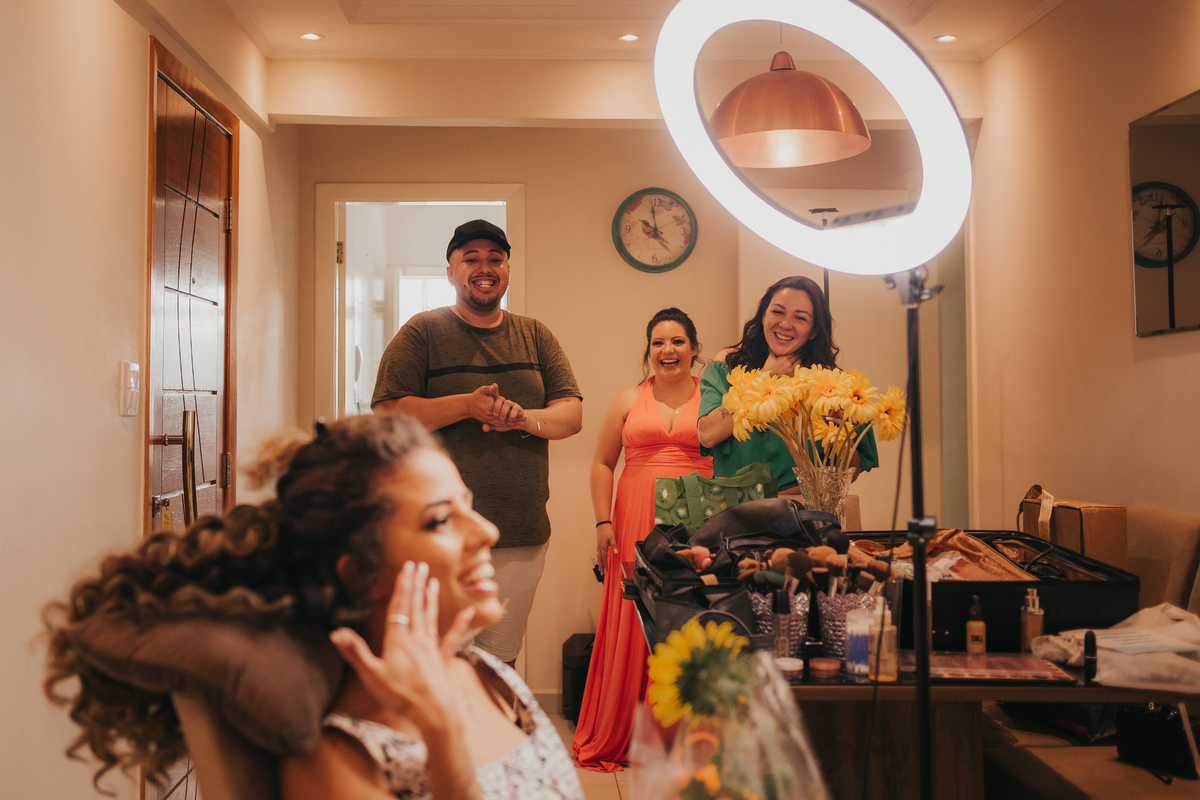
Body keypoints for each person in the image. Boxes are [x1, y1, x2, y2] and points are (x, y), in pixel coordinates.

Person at [44, 415, 585, 800]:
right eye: (440, 521)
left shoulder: (491, 676)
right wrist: (442, 737)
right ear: (361, 572)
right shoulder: (341, 761)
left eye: (470, 507)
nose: (487, 532)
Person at [372, 219, 582, 665]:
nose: (484, 268)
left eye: (495, 259)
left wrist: (524, 419)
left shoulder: (535, 334)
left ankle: (498, 737)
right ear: (450, 271)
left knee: (500, 665)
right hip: (439, 536)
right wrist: (467, 406)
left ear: (507, 270)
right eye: (471, 259)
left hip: (522, 534)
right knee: (440, 661)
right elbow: (388, 412)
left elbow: (571, 416)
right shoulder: (422, 332)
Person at [572, 308, 712, 771]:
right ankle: (627, 731)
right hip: (633, 521)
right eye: (658, 342)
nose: (667, 350)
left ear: (694, 348)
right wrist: (601, 522)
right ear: (648, 350)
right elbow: (601, 463)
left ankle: (684, 734)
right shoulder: (628, 399)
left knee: (691, 619)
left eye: (677, 341)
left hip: (698, 522)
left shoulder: (715, 399)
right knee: (635, 619)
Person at [697, 275, 878, 492]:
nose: (785, 324)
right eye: (777, 312)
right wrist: (765, 378)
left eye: (800, 318)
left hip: (800, 513)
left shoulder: (833, 385)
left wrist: (842, 441)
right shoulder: (727, 365)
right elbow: (707, 435)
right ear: (764, 315)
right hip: (734, 512)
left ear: (814, 331)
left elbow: (852, 473)